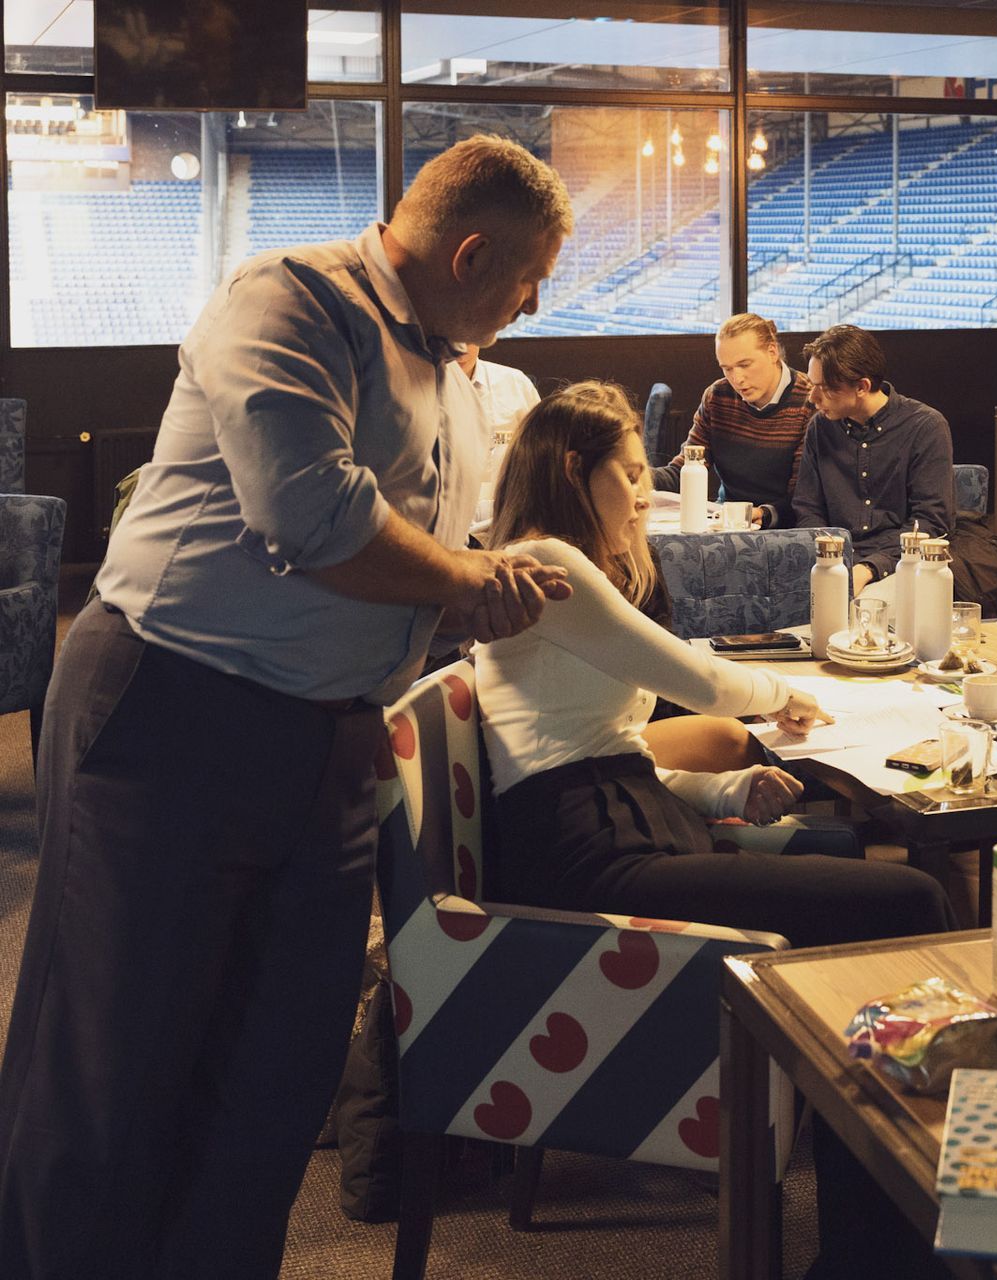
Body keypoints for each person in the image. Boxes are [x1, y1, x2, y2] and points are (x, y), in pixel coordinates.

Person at [0, 135, 577, 1279]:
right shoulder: (291, 298)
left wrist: (481, 592)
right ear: (471, 251)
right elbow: (310, 514)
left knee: (272, 1074)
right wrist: (470, 582)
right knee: (114, 1065)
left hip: (335, 743)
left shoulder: (455, 376)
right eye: (531, 278)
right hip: (171, 712)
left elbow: (419, 557)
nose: (536, 300)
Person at [479, 381, 956, 946]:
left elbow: (611, 756)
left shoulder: (561, 562)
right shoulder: (543, 562)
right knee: (912, 898)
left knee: (903, 890)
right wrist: (784, 694)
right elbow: (698, 682)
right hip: (588, 861)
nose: (642, 495)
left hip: (619, 829)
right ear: (571, 470)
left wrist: (724, 792)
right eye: (630, 475)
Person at [793, 324, 953, 594]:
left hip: (900, 561)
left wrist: (868, 568)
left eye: (824, 388)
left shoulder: (925, 426)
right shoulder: (820, 427)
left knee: (871, 607)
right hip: (834, 558)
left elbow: (930, 522)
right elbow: (807, 508)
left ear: (862, 386)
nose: (812, 398)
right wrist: (833, 560)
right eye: (812, 385)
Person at [654, 313, 814, 529]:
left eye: (745, 364)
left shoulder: (809, 400)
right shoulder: (718, 396)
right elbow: (683, 470)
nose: (737, 379)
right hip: (727, 520)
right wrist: (637, 478)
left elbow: (803, 496)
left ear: (772, 352)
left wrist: (763, 514)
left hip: (782, 526)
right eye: (727, 368)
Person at [459, 344, 543, 524]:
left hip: (508, 522)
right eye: (453, 338)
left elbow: (541, 458)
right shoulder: (419, 385)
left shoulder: (515, 384)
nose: (461, 347)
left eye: (469, 338)